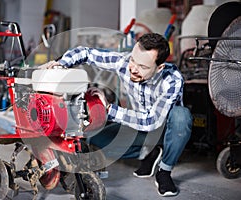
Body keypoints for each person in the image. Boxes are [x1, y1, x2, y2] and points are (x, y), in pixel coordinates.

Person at [41, 33, 192, 197]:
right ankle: (149, 153)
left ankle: (164, 170)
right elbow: (84, 52)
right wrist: (60, 65)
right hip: (137, 124)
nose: (133, 68)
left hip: (163, 128)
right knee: (94, 141)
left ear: (159, 67)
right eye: (133, 60)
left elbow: (152, 121)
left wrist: (109, 109)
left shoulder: (172, 79)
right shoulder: (125, 62)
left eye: (143, 67)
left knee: (181, 117)